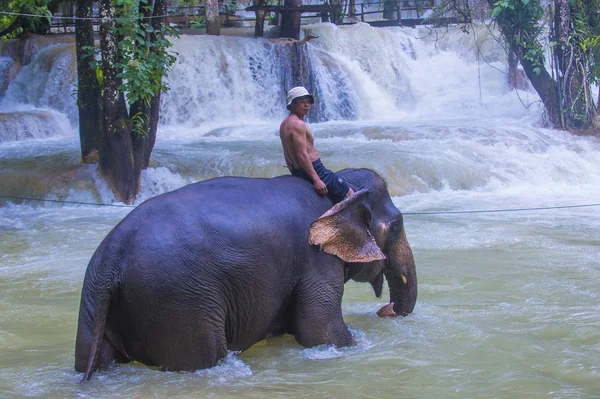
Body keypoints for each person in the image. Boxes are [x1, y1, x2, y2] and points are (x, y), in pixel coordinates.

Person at [279, 86, 355, 203]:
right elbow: (302, 154)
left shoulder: (285, 123)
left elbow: (287, 152)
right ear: (292, 105)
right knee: (350, 195)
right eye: (301, 102)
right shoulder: (298, 124)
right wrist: (316, 179)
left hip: (297, 171)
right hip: (315, 169)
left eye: (308, 101)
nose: (306, 105)